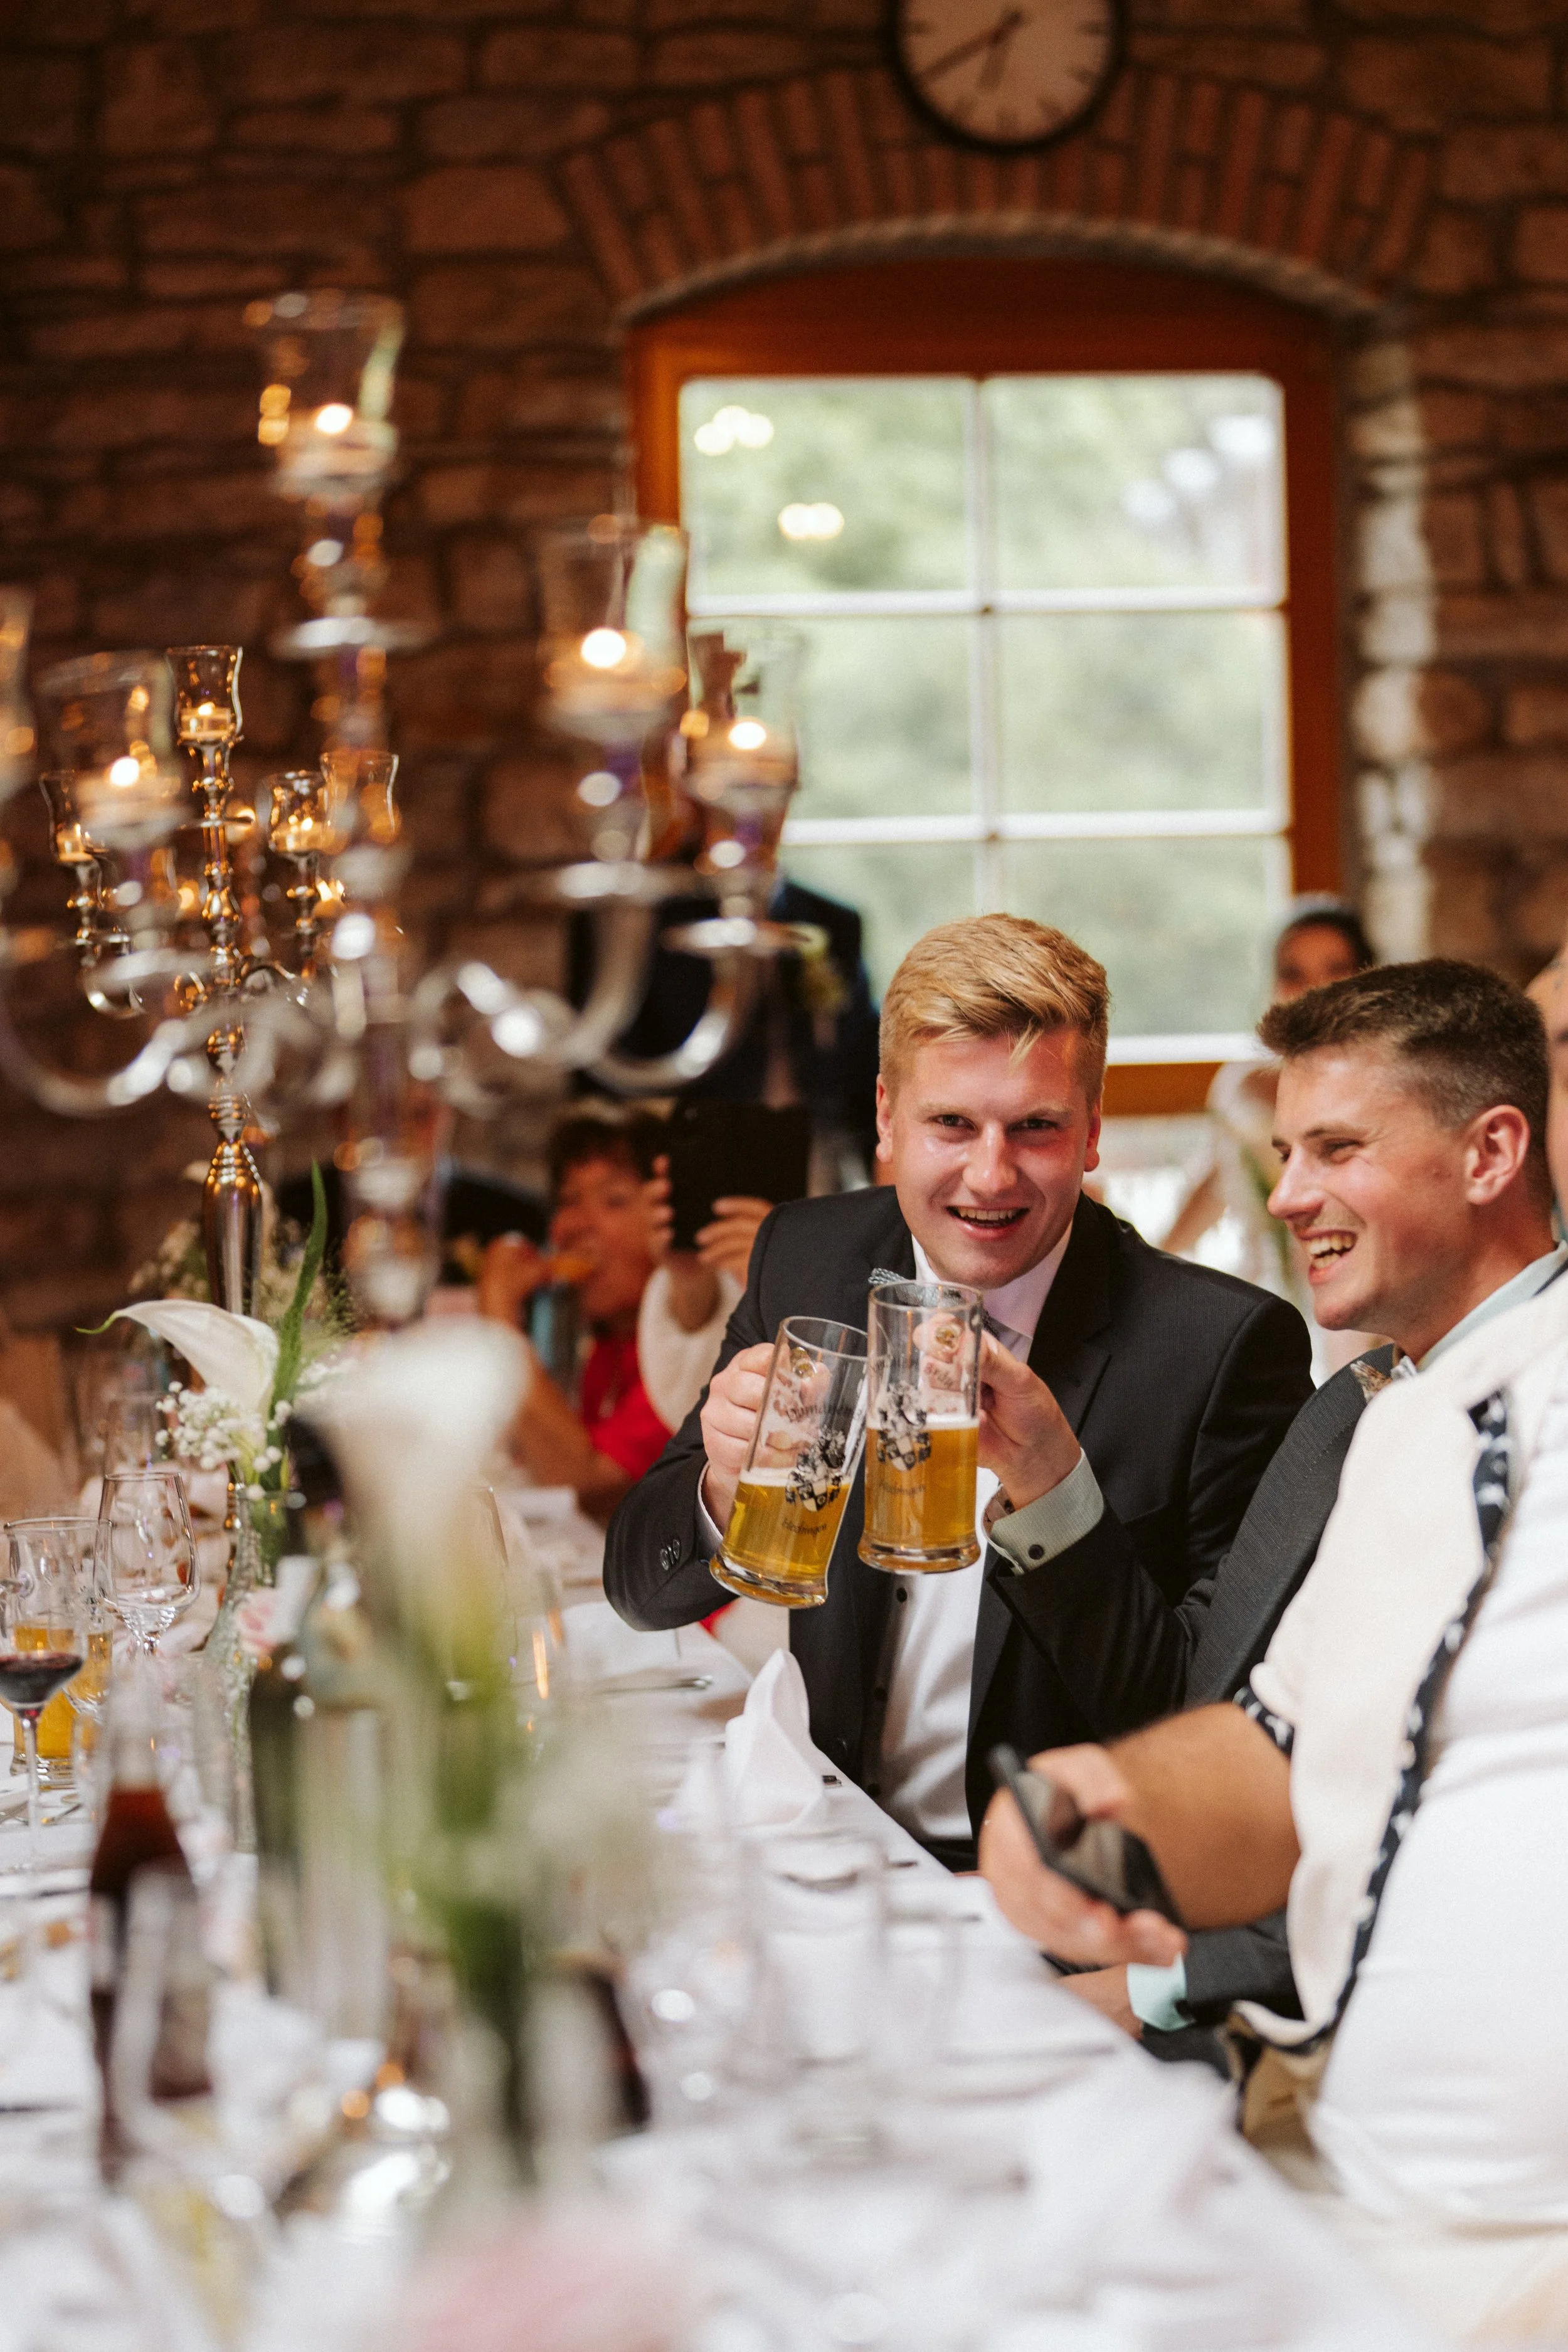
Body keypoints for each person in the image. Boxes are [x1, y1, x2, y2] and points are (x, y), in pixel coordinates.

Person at [977, 976, 1568, 2342]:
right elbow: (1267, 1740)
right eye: (1285, 1152)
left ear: (1489, 1154)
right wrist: (1093, 1821)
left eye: (1334, 1152)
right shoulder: (1394, 1409)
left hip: (1505, 2241)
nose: (1286, 1193)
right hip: (1310, 2141)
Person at [605, 913, 1313, 1868]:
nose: (990, 1174)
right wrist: (722, 1487)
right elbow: (640, 1593)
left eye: (1037, 1127)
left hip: (1053, 1899)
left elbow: (1206, 1724)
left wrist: (1058, 1490)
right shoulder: (808, 1260)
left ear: (1093, 1131)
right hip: (824, 1842)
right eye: (951, 1123)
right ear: (888, 1119)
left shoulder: (1222, 1349)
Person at [1162, 896, 1377, 1381]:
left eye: (1336, 969)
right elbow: (1219, 1180)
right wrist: (1150, 1264)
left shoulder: (1390, 1088)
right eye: (1293, 973)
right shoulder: (1243, 1087)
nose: (1314, 989)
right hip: (1270, 1304)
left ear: (1368, 977)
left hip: (1364, 1309)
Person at [573, 871, 882, 1193]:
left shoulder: (831, 920)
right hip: (699, 1140)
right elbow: (621, 1049)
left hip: (815, 1145)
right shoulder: (667, 921)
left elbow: (862, 1056)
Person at [477, 1110, 684, 1524]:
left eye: (614, 1200)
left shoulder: (688, 1342)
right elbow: (548, 1457)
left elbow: (586, 1483)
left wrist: (499, 1320)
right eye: (569, 1201)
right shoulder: (613, 1346)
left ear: (669, 1220)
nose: (573, 1226)